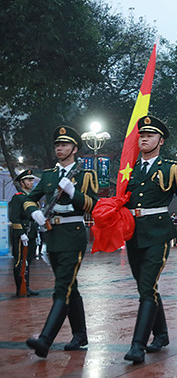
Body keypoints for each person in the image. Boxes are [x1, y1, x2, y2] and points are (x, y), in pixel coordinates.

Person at [123, 115, 177, 363]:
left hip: (158, 233)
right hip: (134, 233)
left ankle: (137, 345)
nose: (144, 138)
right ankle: (162, 334)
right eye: (142, 135)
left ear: (161, 140)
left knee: (146, 287)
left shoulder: (171, 168)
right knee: (147, 287)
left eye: (150, 135)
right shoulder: (129, 169)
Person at [25, 126, 98, 358]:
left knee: (62, 287)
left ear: (75, 149)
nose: (60, 148)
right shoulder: (48, 175)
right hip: (52, 234)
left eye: (65, 145)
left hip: (73, 233)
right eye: (57, 145)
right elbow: (29, 199)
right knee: (69, 285)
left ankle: (45, 340)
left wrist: (73, 191)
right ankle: (80, 335)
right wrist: (33, 212)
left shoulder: (85, 175)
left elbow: (93, 204)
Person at [9, 169, 40, 297]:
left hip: (31, 233)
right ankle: (20, 288)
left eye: (32, 180)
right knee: (20, 261)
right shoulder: (18, 198)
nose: (31, 182)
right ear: (22, 182)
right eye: (28, 180)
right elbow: (14, 218)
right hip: (21, 233)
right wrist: (21, 233)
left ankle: (26, 286)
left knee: (28, 261)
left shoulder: (32, 198)